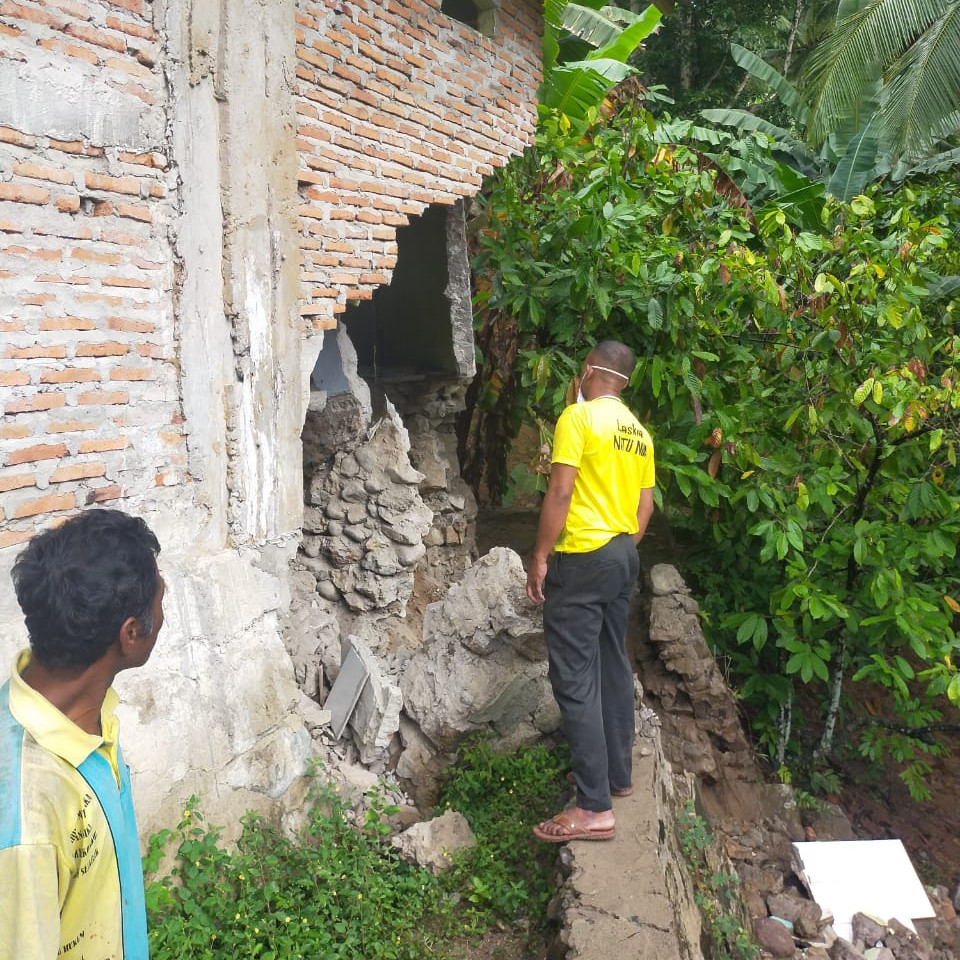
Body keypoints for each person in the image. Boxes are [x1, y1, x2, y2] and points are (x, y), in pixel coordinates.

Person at [0, 508, 164, 959]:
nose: (162, 614)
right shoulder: (27, 818)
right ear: (131, 634)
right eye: (160, 602)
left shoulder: (86, 718)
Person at [526, 341, 655, 842]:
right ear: (624, 382)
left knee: (574, 677)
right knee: (613, 664)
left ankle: (594, 808)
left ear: (587, 372)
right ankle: (616, 779)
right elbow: (644, 511)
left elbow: (560, 491)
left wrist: (540, 555)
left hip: (582, 558)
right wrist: (618, 551)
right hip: (624, 554)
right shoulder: (640, 435)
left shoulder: (577, 420)